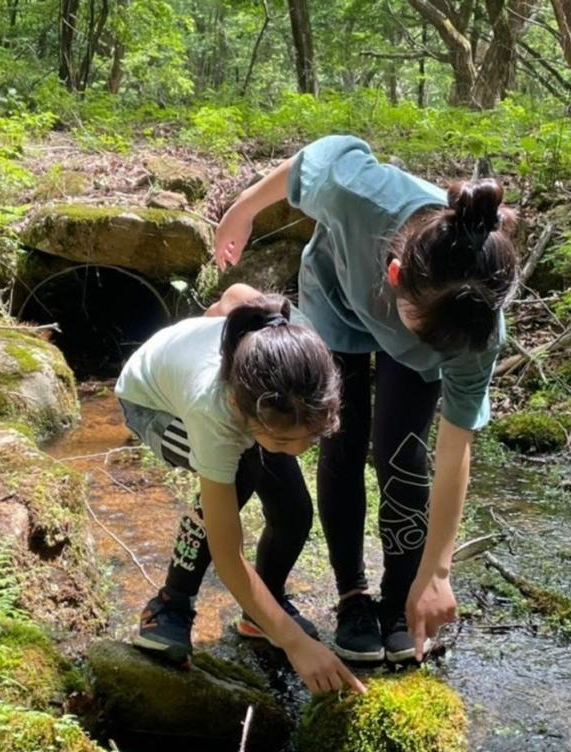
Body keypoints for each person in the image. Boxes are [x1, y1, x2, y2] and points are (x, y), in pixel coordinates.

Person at [214, 135, 518, 665]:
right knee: (343, 441)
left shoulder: (473, 327)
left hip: (425, 313)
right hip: (337, 298)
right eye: (424, 335)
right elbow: (314, 157)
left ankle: (402, 599)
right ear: (395, 276)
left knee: (400, 452)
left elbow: (454, 448)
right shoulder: (358, 194)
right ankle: (352, 596)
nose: (431, 348)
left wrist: (437, 571)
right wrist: (243, 210)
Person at [115, 284, 365, 694]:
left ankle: (262, 609)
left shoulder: (298, 355)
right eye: (287, 443)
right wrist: (295, 642)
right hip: (152, 405)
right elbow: (227, 553)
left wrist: (219, 315)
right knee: (241, 472)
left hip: (250, 406)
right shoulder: (213, 408)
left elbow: (239, 292)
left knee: (295, 511)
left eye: (310, 439)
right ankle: (170, 606)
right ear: (240, 409)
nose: (299, 451)